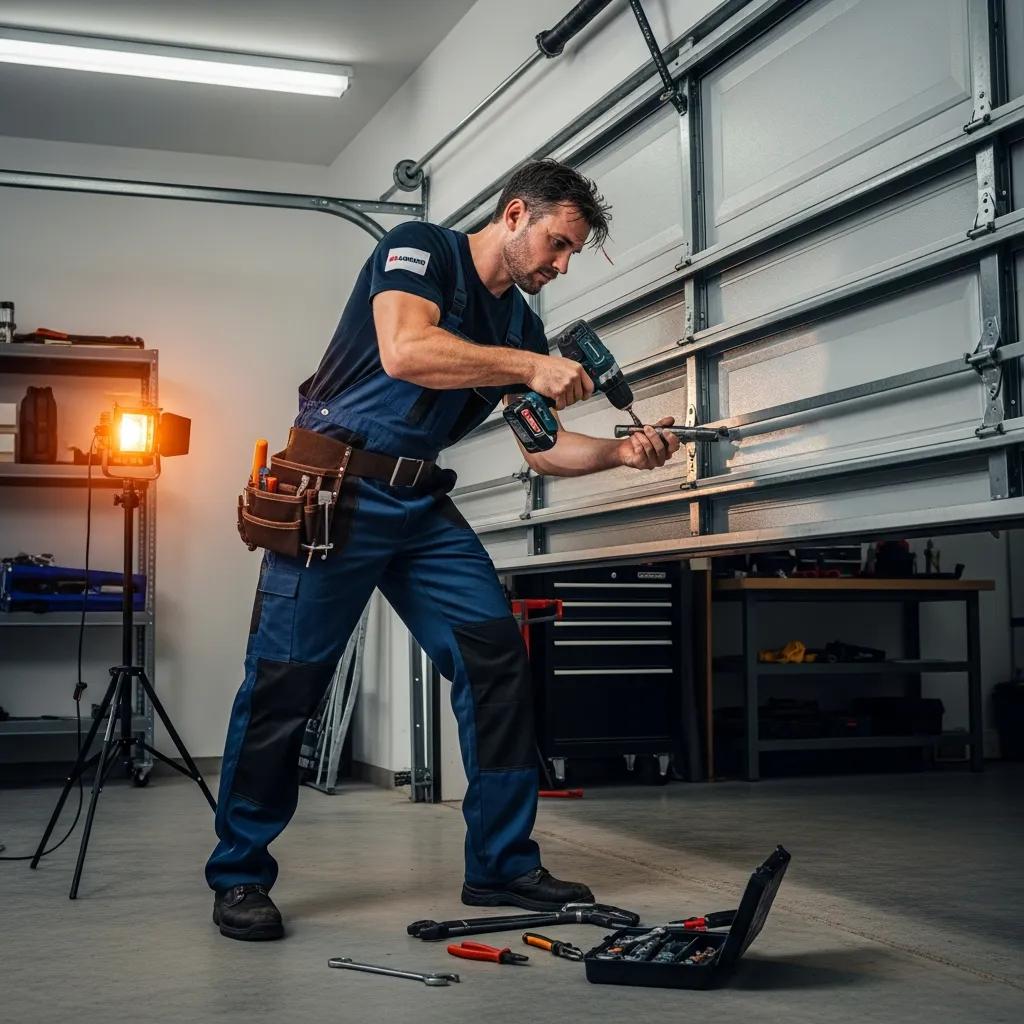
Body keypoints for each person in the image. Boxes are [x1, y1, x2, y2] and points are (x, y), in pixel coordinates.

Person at [206, 159, 682, 940]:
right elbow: (406, 349)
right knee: (286, 683)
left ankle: (500, 862)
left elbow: (545, 447)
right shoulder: (418, 247)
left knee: (495, 656)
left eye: (570, 254)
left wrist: (622, 455)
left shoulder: (518, 323)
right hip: (337, 489)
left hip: (419, 503)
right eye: (559, 245)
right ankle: (239, 874)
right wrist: (530, 366)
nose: (560, 265)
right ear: (516, 214)